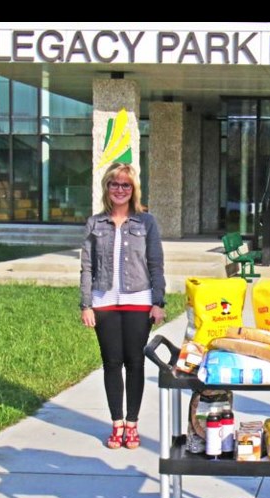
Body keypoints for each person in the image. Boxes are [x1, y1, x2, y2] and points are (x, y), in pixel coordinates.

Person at [80, 162, 165, 449]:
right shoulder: (95, 223)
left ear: (133, 189)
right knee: (111, 363)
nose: (120, 189)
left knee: (135, 362)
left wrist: (158, 302)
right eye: (115, 184)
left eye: (125, 185)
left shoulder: (146, 222)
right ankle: (117, 424)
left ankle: (133, 424)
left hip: (139, 301)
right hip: (104, 302)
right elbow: (87, 267)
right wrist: (86, 304)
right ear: (107, 188)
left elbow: (156, 263)